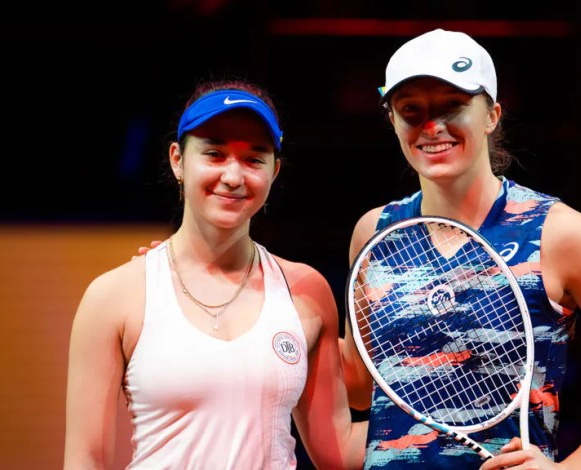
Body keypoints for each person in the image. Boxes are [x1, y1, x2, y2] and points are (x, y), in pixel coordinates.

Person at [337, 29, 581, 469]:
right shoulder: (375, 231)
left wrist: (574, 469)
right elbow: (360, 389)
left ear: (491, 115)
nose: (432, 126)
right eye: (411, 110)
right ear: (392, 120)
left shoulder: (557, 233)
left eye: (452, 106)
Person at [64, 78, 366, 469]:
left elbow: (338, 451)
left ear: (275, 171)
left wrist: (438, 425)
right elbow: (85, 459)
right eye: (215, 154)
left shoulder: (306, 291)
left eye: (254, 159)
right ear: (177, 160)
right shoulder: (114, 296)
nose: (233, 177)